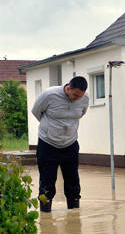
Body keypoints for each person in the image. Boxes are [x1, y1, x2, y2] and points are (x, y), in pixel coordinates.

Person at [31, 76, 90, 212]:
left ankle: (74, 211)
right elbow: (36, 111)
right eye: (75, 95)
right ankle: (45, 214)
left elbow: (81, 113)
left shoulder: (84, 98)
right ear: (68, 88)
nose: (77, 98)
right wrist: (51, 128)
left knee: (73, 181)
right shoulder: (49, 94)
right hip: (48, 144)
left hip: (70, 144)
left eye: (80, 96)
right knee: (47, 181)